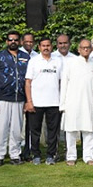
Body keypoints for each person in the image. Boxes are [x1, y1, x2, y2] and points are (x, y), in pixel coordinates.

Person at [0, 32, 28, 166]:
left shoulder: (25, 57)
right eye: (11, 40)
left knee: (16, 129)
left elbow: (29, 80)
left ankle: (15, 155)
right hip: (2, 99)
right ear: (7, 41)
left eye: (16, 40)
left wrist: (28, 100)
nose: (13, 42)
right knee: (0, 129)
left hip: (19, 98)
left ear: (20, 42)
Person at [25, 36, 63, 165]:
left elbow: (62, 82)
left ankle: (50, 155)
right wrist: (29, 101)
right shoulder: (34, 61)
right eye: (43, 45)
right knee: (35, 131)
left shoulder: (58, 61)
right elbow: (28, 82)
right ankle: (35, 155)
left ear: (51, 47)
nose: (46, 48)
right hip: (37, 102)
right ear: (39, 47)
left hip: (54, 102)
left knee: (52, 131)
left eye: (48, 45)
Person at [60, 38, 93, 165]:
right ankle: (71, 156)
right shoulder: (71, 63)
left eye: (88, 47)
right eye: (83, 47)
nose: (86, 49)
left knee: (89, 130)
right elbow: (64, 83)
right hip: (72, 102)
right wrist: (63, 104)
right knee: (71, 130)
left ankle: (88, 156)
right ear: (78, 49)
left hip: (89, 102)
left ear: (91, 49)